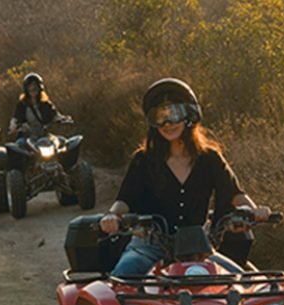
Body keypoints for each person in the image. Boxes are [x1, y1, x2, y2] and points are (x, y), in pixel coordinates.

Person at [99, 77, 271, 276]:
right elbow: (124, 200)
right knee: (121, 281)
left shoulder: (210, 158)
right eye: (158, 117)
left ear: (189, 114)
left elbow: (236, 194)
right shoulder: (143, 160)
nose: (167, 123)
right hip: (148, 247)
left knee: (242, 283)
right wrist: (111, 215)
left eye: (174, 114)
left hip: (198, 249)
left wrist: (254, 211)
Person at [8, 72, 70, 138]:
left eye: (35, 86)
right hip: (27, 137)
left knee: (62, 141)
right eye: (30, 87)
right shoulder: (22, 105)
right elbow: (16, 119)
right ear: (26, 89)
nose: (33, 89)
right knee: (19, 144)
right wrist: (14, 127)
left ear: (40, 88)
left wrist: (64, 119)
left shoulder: (46, 104)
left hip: (44, 136)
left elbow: (55, 115)